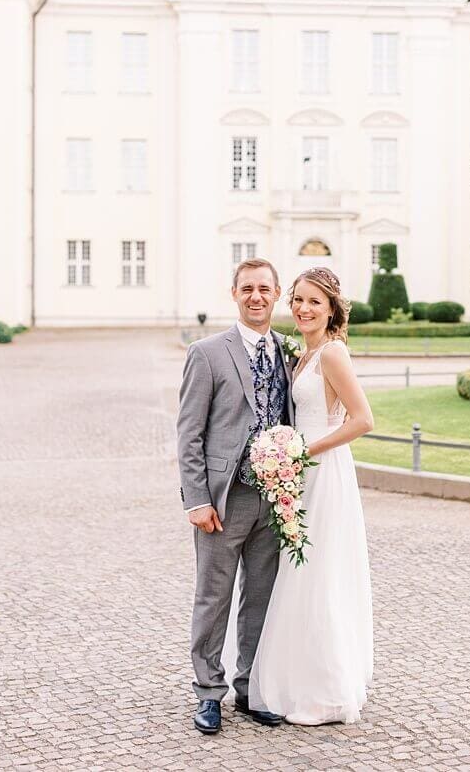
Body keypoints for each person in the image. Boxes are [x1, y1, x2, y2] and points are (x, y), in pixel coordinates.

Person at [246, 266, 374, 725]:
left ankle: (327, 690)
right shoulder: (304, 353)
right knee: (301, 572)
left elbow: (362, 420)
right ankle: (299, 677)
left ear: (331, 308)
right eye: (297, 299)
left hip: (323, 470)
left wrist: (300, 451)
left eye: (314, 301)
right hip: (301, 473)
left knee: (317, 573)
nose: (302, 308)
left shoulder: (333, 354)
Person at [177, 258, 295, 734]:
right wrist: (196, 498)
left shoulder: (287, 353)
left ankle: (250, 688)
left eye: (264, 289)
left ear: (277, 293)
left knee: (261, 597)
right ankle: (208, 692)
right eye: (247, 288)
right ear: (234, 293)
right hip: (225, 498)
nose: (256, 297)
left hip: (274, 495)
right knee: (214, 597)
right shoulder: (207, 353)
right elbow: (189, 433)